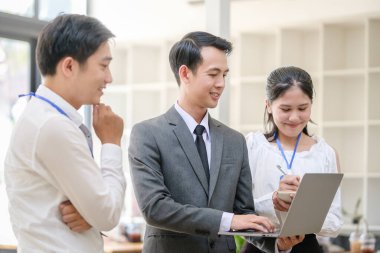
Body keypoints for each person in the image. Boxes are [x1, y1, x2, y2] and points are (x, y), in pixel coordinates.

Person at [128, 31, 303, 253]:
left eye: (224, 75)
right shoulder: (147, 134)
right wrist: (227, 221)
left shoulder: (234, 140)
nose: (221, 84)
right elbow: (155, 208)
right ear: (185, 73)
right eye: (213, 74)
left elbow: (243, 213)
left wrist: (276, 244)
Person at [4, 14, 126, 252]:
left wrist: (90, 213)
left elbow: (96, 210)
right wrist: (112, 143)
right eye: (103, 65)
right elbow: (108, 213)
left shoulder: (42, 116)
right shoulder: (52, 126)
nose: (109, 78)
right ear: (69, 66)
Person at [242, 66, 343, 253]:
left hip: (307, 247)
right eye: (285, 109)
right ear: (269, 106)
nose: (294, 117)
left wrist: (304, 209)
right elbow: (238, 210)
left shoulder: (325, 153)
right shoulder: (251, 147)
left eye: (303, 108)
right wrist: (273, 200)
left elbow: (335, 223)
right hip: (259, 247)